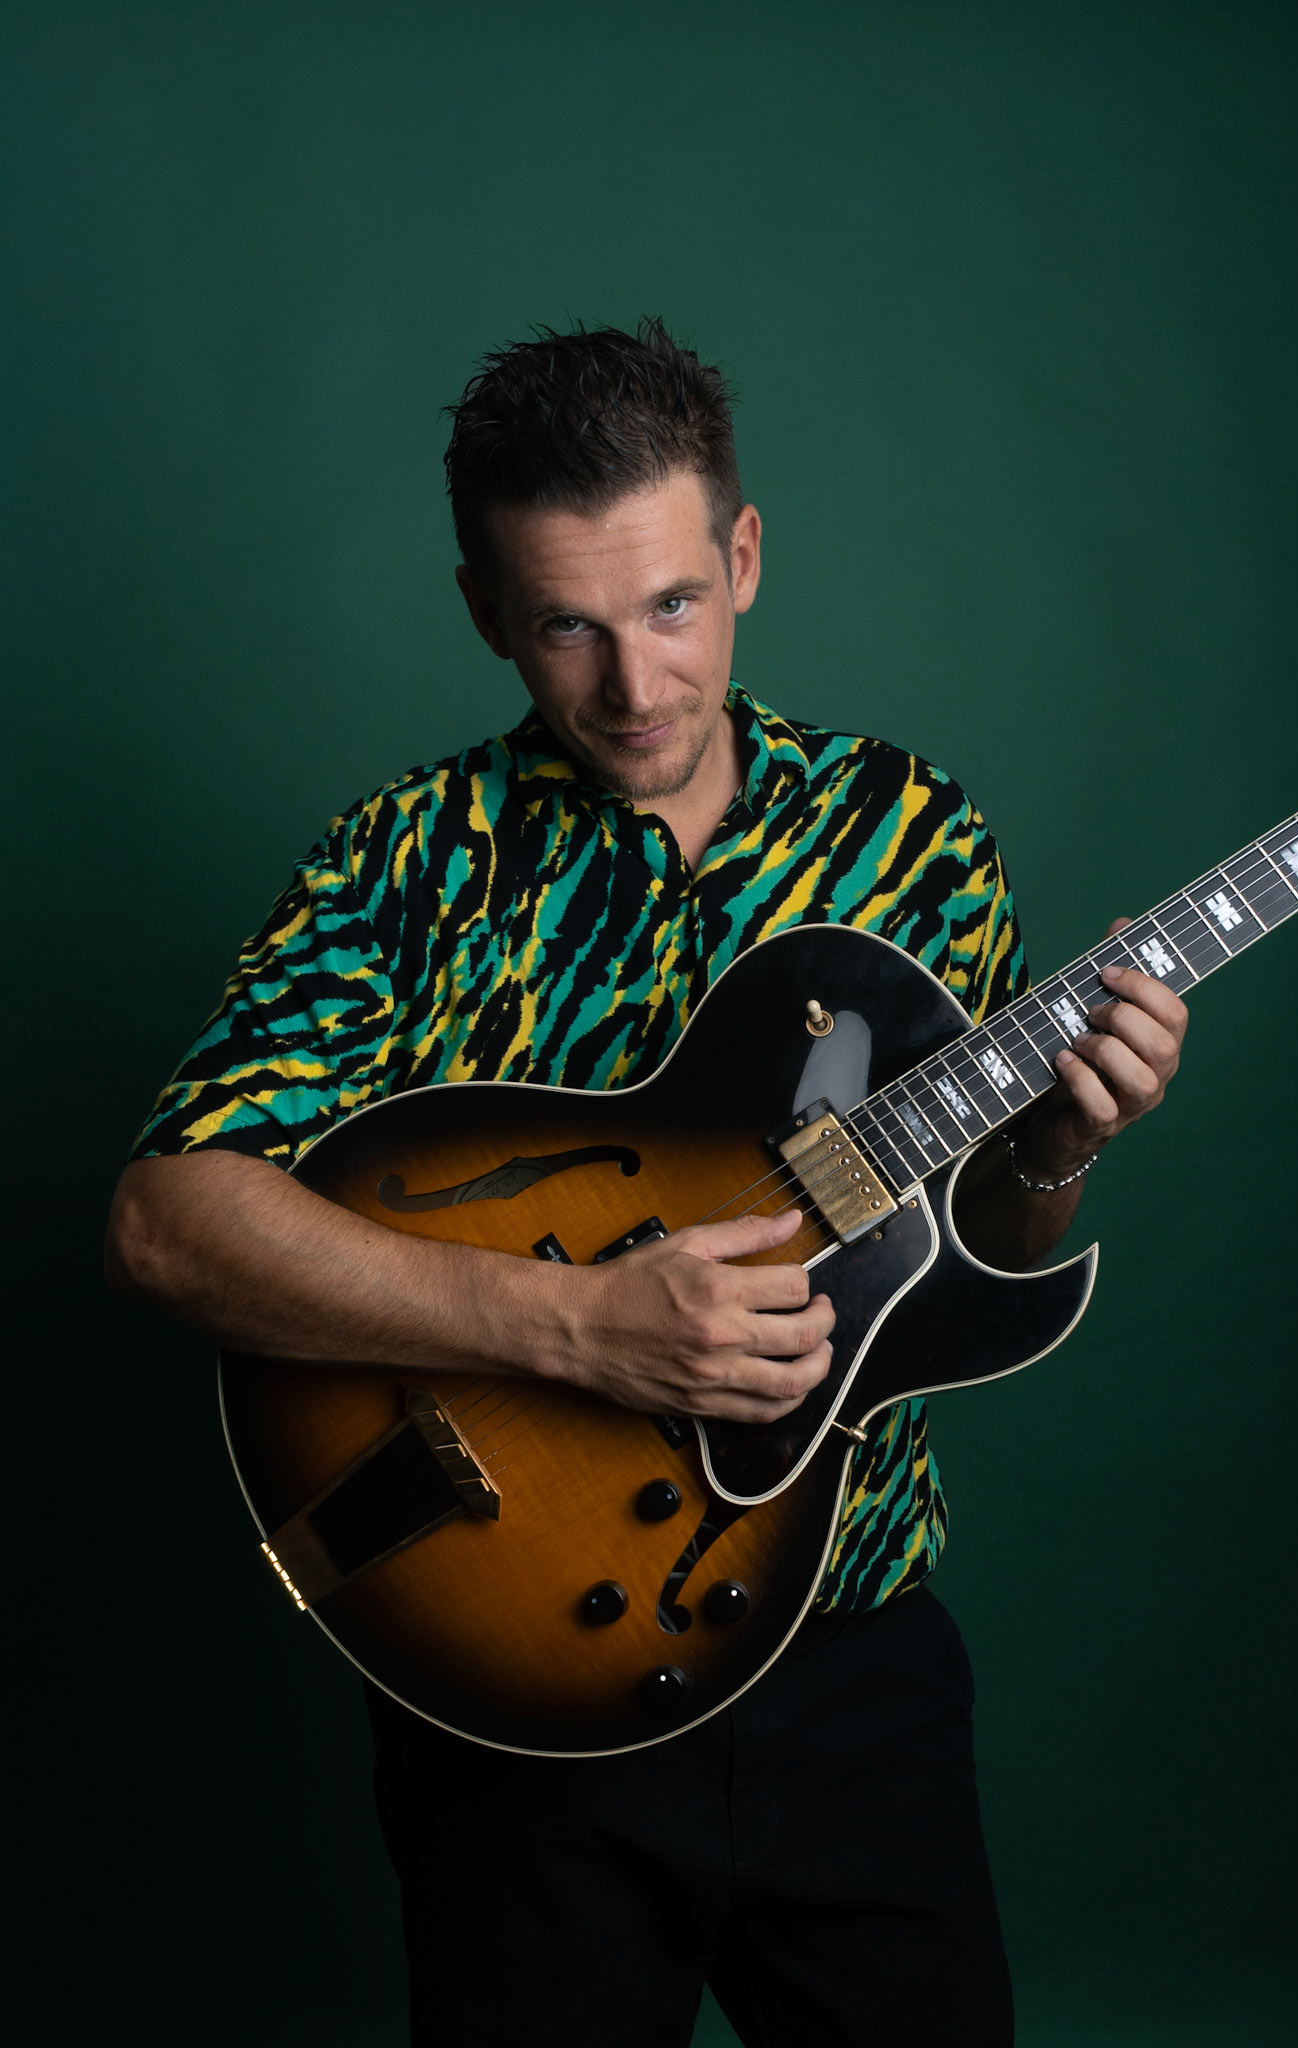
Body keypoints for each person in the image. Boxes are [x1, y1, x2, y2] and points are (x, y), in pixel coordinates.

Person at [106, 319, 1187, 2046]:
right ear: (485, 613)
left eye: (673, 604)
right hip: (515, 1683)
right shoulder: (406, 866)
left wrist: (1055, 1147)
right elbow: (168, 1222)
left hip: (852, 1660)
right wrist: (573, 1326)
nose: (635, 684)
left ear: (742, 556)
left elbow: (968, 1250)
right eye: (568, 625)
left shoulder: (911, 835)